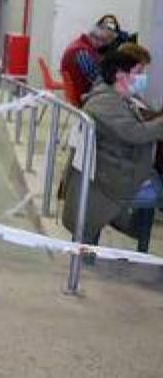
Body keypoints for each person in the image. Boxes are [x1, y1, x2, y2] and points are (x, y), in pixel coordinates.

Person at [63, 47, 163, 244]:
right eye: (138, 72)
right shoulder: (106, 102)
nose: (142, 78)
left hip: (112, 168)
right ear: (120, 75)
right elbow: (136, 133)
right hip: (112, 176)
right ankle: (132, 228)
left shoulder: (113, 96)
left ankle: (130, 225)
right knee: (159, 187)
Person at [60, 20, 117, 104]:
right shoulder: (82, 51)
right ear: (96, 38)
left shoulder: (80, 45)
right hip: (83, 95)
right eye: (104, 41)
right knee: (116, 98)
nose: (103, 45)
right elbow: (94, 77)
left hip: (81, 92)